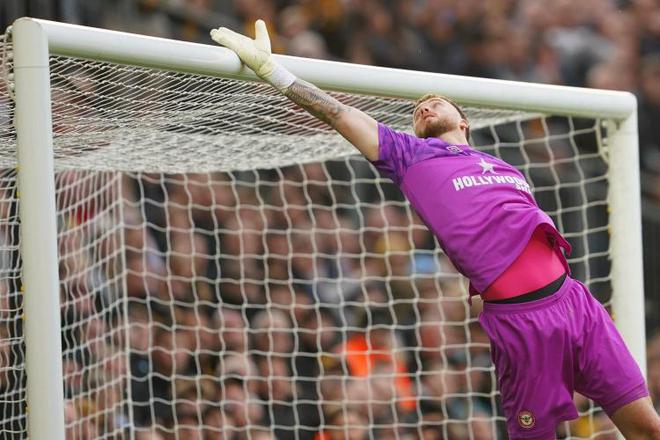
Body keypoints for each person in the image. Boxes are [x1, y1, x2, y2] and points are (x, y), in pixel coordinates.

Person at [210, 20, 660, 440]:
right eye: (417, 110)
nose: (424, 106)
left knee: (645, 426)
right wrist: (276, 73)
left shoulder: (502, 164)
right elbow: (342, 115)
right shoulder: (411, 157)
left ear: (464, 121)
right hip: (523, 324)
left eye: (435, 101)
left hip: (575, 302)